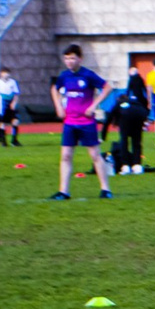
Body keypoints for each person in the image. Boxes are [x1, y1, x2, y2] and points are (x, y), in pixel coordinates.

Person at [48, 44, 113, 200]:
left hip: (86, 122)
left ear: (80, 59)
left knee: (95, 155)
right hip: (70, 122)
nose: (69, 61)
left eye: (72, 58)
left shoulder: (88, 75)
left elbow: (107, 87)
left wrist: (93, 105)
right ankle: (64, 191)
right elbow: (54, 89)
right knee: (65, 156)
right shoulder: (64, 76)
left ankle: (105, 189)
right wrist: (59, 107)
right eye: (66, 58)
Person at [106, 65, 150, 172]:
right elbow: (143, 91)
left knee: (124, 141)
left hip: (128, 120)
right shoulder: (140, 80)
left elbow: (109, 117)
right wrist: (145, 122)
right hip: (138, 113)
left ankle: (126, 165)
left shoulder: (120, 104)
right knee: (136, 142)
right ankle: (137, 165)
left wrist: (103, 135)